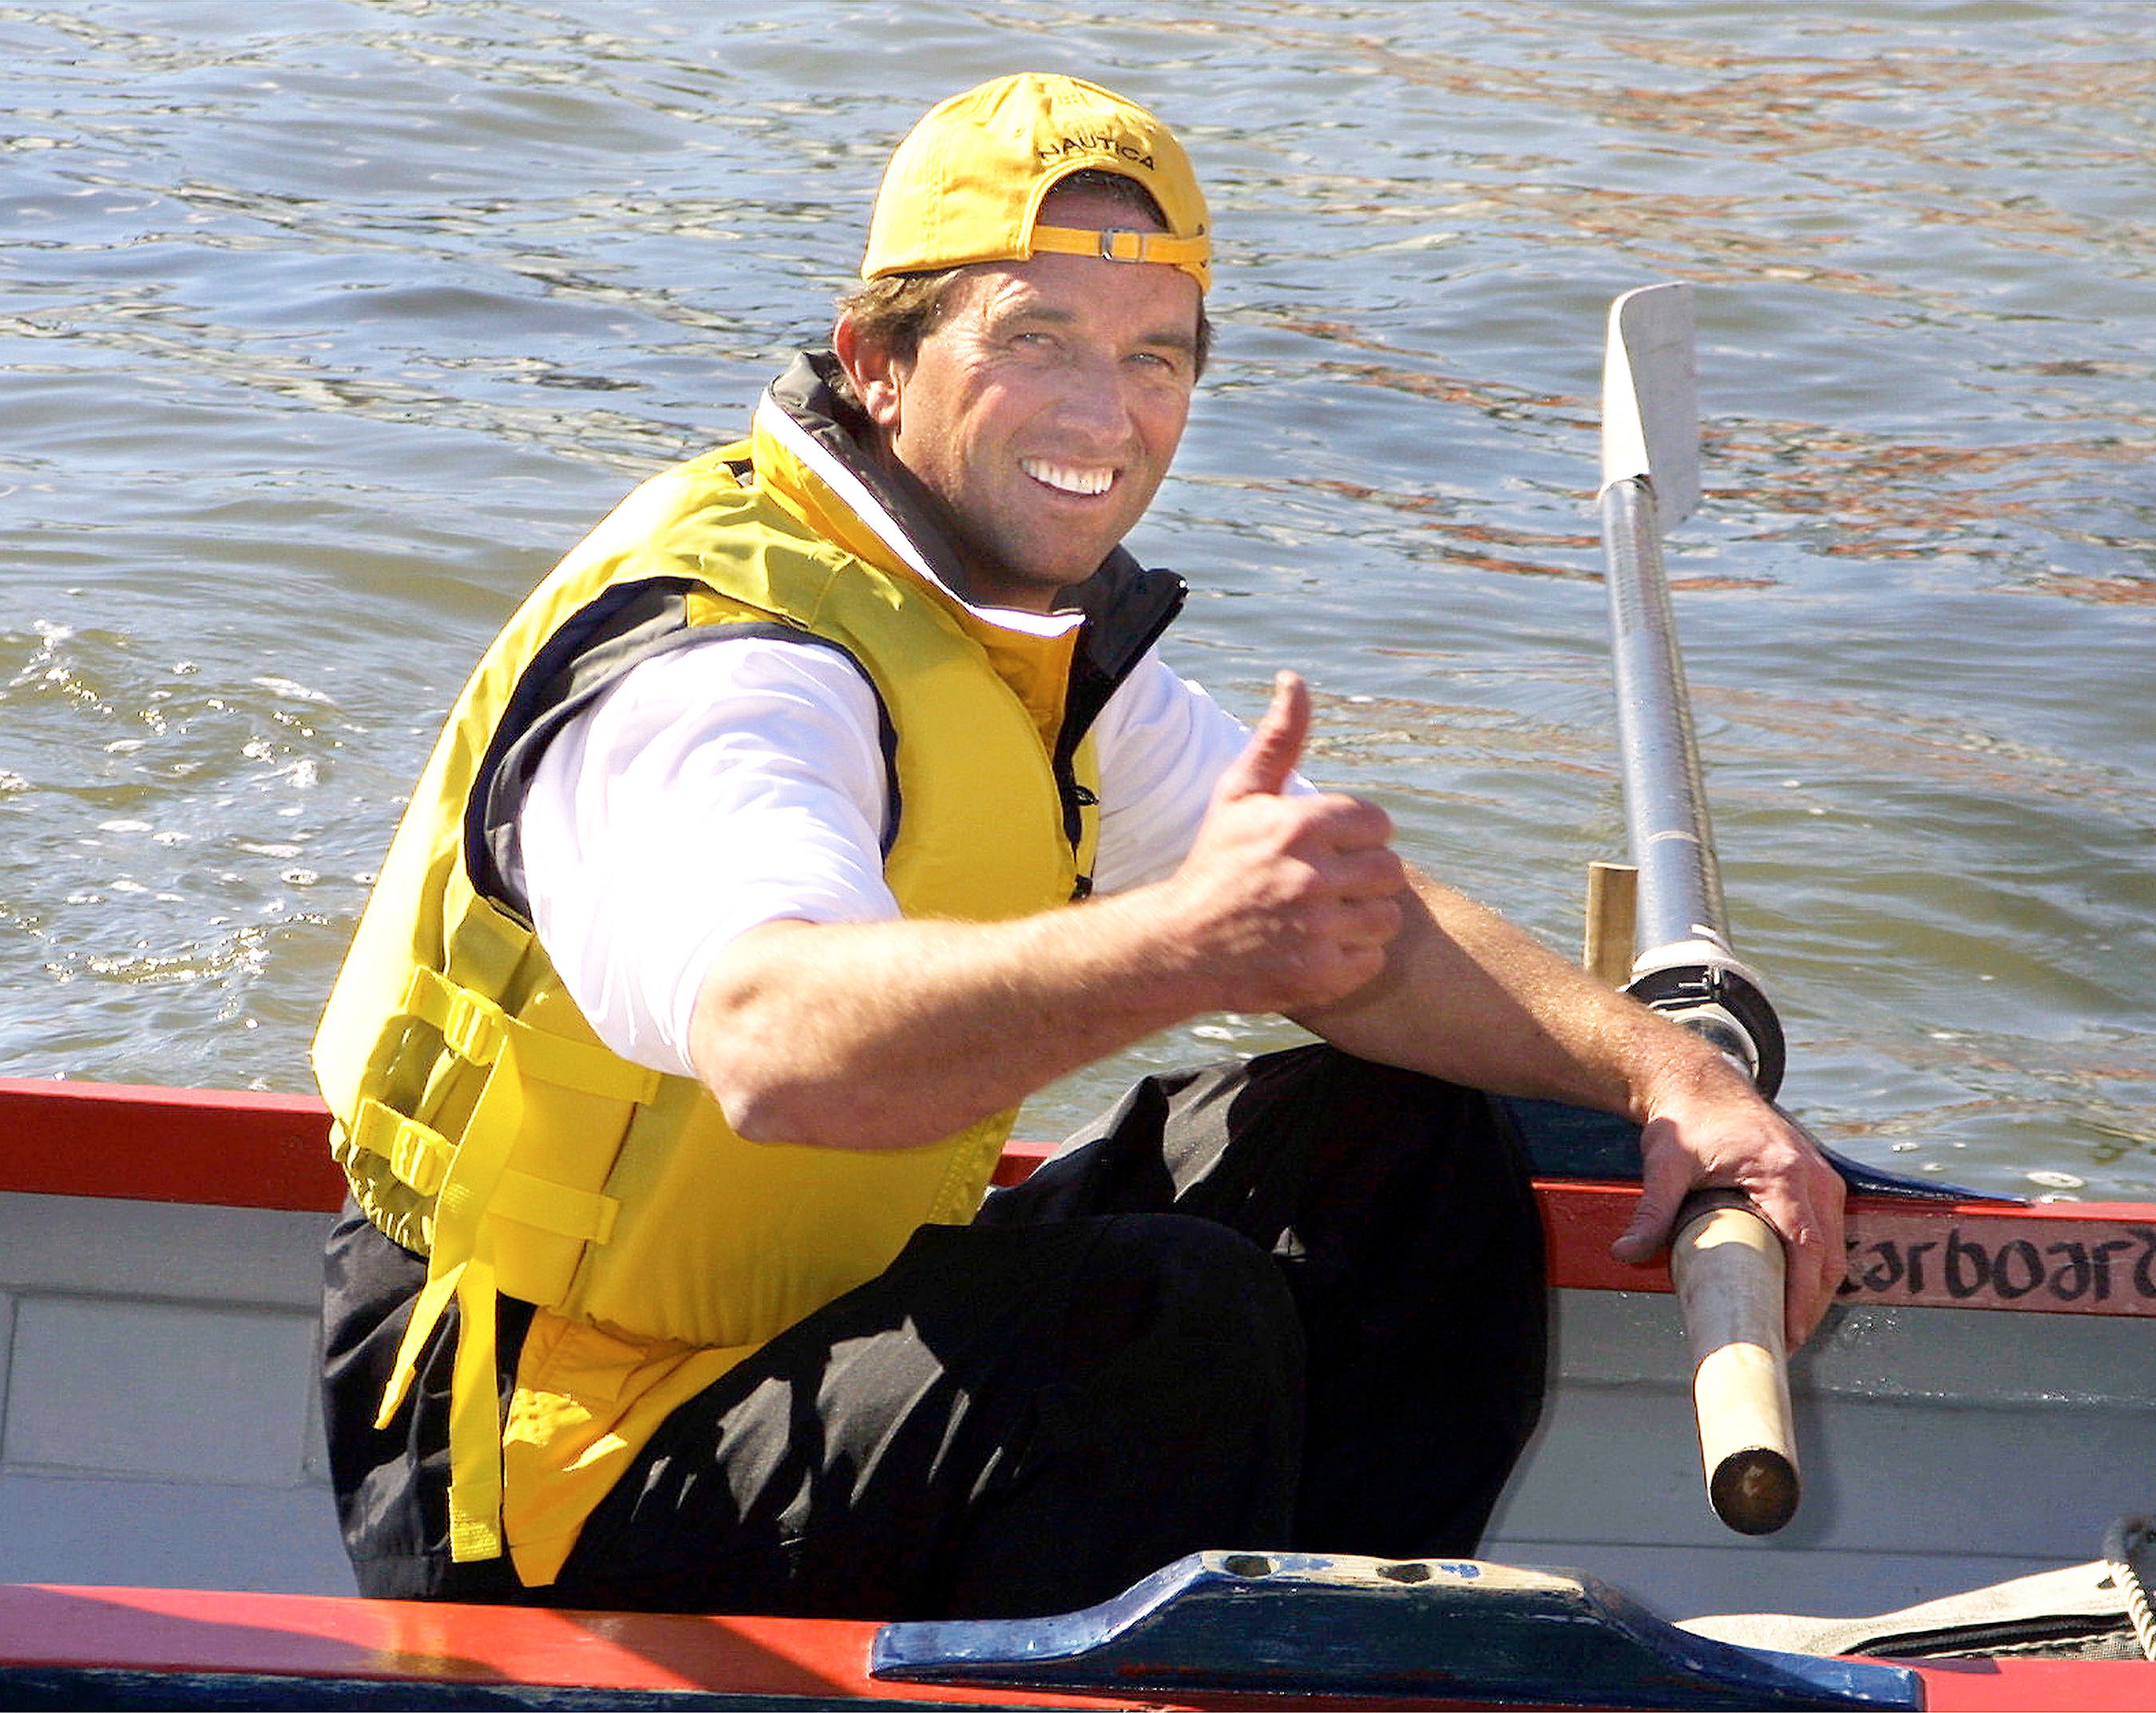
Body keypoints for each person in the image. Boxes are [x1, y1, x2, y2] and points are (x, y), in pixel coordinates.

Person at [313, 72, 1845, 1621]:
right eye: (1033, 341)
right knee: (1167, 1332)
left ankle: (1331, 1658)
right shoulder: (724, 663)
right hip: (556, 1459)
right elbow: (778, 1046)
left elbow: (1365, 940)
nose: (1103, 416)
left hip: (812, 1323)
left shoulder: (1007, 627)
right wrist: (1181, 945)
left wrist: (1673, 1075)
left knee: (1406, 1140)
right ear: (878, 361)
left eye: (1153, 358)